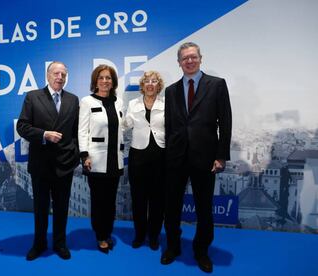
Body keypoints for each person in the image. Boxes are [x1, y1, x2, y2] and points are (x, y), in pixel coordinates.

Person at [161, 42, 232, 273]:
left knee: (204, 208)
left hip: (206, 157)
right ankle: (172, 247)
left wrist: (221, 156)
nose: (189, 61)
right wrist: (169, 154)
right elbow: (170, 126)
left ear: (200, 58)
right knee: (171, 206)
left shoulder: (217, 85)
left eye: (193, 57)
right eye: (185, 58)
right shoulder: (171, 90)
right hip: (176, 158)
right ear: (179, 62)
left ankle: (201, 251)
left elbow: (226, 122)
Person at [16, 61, 79, 261]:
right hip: (41, 164)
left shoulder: (73, 99)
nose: (60, 77)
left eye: (63, 74)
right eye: (56, 73)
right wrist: (44, 134)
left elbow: (77, 132)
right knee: (41, 208)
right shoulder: (33, 97)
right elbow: (22, 127)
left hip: (65, 163)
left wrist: (75, 154)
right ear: (48, 75)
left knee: (62, 207)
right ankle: (39, 243)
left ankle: (60, 244)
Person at [78, 64, 124, 254]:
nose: (105, 81)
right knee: (99, 201)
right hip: (95, 160)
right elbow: (82, 131)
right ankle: (100, 235)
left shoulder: (119, 102)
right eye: (101, 78)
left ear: (113, 82)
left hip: (115, 160)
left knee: (111, 200)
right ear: (95, 81)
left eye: (108, 78)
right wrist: (84, 155)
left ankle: (108, 232)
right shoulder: (87, 101)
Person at [124, 71, 165, 250]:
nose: (150, 84)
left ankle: (154, 236)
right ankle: (140, 235)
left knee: (158, 200)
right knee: (138, 199)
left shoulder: (167, 104)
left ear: (158, 85)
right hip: (138, 156)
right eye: (146, 81)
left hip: (161, 156)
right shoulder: (133, 104)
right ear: (142, 85)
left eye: (154, 81)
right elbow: (126, 124)